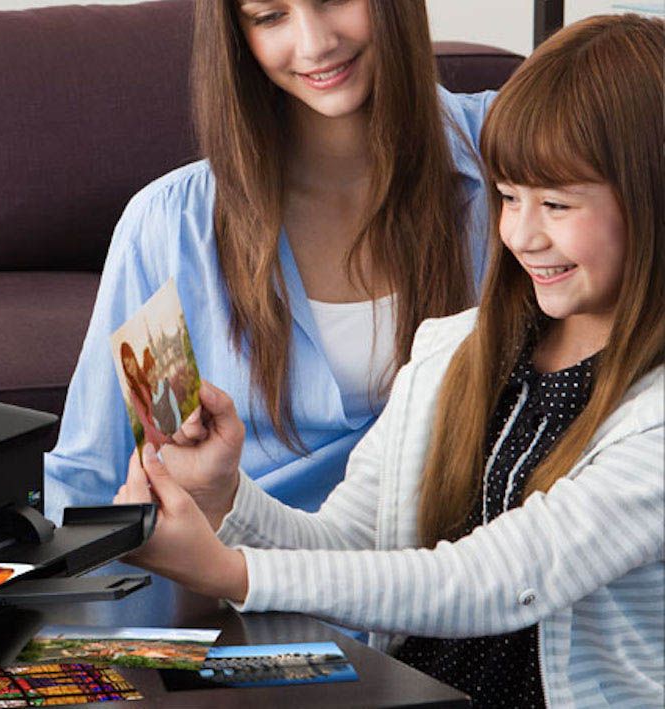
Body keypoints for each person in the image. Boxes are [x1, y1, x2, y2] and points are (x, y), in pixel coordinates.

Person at [115, 14, 664, 708]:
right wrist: (227, 495)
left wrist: (233, 573)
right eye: (508, 197)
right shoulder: (455, 351)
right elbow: (349, 538)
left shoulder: (654, 420)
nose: (521, 235)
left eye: (556, 203)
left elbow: (492, 579)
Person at [44, 0, 496, 520]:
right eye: (269, 17)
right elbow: (97, 478)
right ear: (238, 36)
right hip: (239, 584)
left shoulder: (511, 153)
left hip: (459, 577)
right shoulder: (171, 230)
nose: (314, 43)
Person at [119, 342, 169, 449]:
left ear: (133, 358)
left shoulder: (145, 375)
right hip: (154, 440)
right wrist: (165, 439)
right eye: (126, 367)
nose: (129, 369)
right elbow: (146, 425)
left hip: (164, 427)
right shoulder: (133, 394)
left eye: (129, 363)